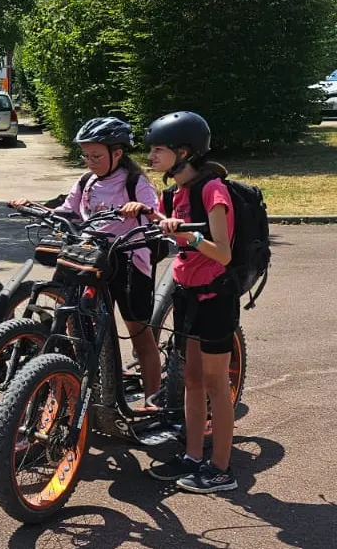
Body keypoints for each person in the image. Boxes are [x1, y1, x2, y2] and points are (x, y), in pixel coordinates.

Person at [11, 117, 162, 408]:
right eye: (86, 155)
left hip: (129, 262)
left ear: (118, 154)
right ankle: (92, 380)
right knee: (83, 326)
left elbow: (154, 212)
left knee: (139, 334)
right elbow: (69, 211)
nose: (89, 161)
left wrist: (140, 208)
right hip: (93, 259)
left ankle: (152, 399)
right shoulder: (87, 181)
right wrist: (33, 206)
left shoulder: (135, 183)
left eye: (96, 156)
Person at [140, 111, 239, 494]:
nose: (151, 156)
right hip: (188, 296)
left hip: (215, 295)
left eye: (158, 150)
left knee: (216, 383)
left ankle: (220, 469)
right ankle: (193, 456)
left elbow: (223, 253)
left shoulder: (212, 190)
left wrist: (190, 237)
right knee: (191, 380)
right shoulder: (174, 192)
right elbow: (173, 232)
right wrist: (154, 217)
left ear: (184, 152)